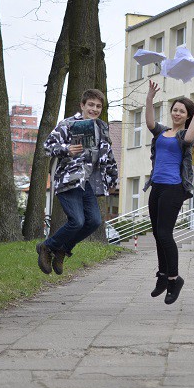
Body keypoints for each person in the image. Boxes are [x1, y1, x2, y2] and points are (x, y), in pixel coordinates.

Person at [143, 80, 194, 304]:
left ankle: (174, 278)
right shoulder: (162, 132)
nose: (177, 113)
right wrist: (150, 98)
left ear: (187, 115)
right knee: (156, 234)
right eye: (175, 109)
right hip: (157, 186)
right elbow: (150, 122)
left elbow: (190, 138)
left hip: (174, 187)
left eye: (182, 111)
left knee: (165, 234)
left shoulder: (184, 136)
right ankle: (162, 276)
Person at [38, 89, 118, 275]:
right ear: (82, 105)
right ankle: (46, 247)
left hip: (88, 182)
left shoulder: (102, 128)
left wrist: (113, 176)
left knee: (95, 221)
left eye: (98, 106)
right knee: (77, 221)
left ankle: (62, 249)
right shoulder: (68, 124)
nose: (94, 109)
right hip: (69, 180)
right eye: (91, 105)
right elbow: (47, 147)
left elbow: (108, 154)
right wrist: (67, 149)